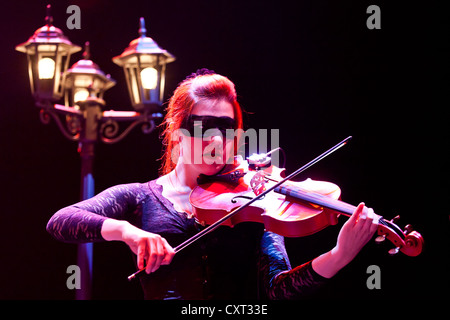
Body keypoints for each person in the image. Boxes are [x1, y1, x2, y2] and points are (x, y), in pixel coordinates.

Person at [46, 69, 379, 299]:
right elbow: (61, 221)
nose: (217, 141)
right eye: (205, 129)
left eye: (227, 130)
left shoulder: (255, 200)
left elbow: (278, 290)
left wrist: (339, 254)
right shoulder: (140, 196)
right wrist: (128, 232)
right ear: (178, 133)